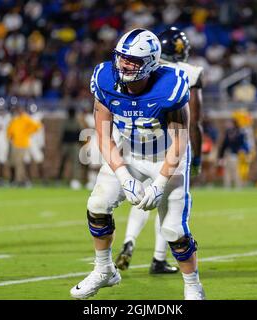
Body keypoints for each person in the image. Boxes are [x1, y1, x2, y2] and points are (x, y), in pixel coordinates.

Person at [70, 28, 205, 300]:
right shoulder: (105, 79)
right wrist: (124, 177)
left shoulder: (171, 85)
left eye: (133, 60)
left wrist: (159, 184)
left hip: (166, 157)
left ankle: (193, 287)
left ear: (152, 63)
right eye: (122, 58)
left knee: (173, 230)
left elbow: (180, 143)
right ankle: (104, 270)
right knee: (96, 205)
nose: (125, 65)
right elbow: (103, 135)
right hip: (129, 152)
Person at [115, 27, 204, 274]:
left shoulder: (142, 69)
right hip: (168, 147)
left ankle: (128, 241)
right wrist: (196, 156)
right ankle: (158, 258)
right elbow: (193, 121)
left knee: (139, 197)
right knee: (166, 204)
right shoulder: (188, 73)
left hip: (133, 141)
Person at [7, 104, 42, 186]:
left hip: (23, 143)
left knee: (19, 163)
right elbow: (10, 130)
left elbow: (36, 126)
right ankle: (21, 179)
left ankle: (19, 180)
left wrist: (28, 132)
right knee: (15, 162)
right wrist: (10, 136)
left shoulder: (26, 118)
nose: (19, 111)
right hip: (15, 143)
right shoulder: (15, 119)